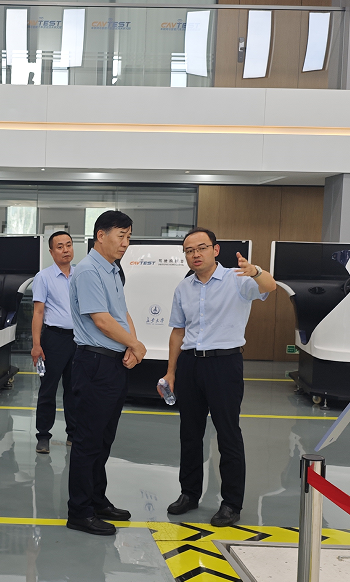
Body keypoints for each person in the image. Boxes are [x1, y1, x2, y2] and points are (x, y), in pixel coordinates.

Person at [161, 227, 276, 527]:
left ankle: (231, 503)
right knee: (190, 433)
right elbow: (177, 332)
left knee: (227, 433)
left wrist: (255, 270)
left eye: (201, 248)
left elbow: (270, 286)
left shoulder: (238, 279)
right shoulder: (183, 288)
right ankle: (189, 494)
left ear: (215, 250)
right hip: (190, 365)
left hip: (224, 364)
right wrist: (171, 372)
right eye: (189, 251)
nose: (195, 255)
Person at [65, 211, 145, 536]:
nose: (125, 243)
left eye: (129, 237)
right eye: (120, 236)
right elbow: (101, 320)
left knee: (104, 438)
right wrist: (135, 345)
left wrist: (132, 345)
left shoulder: (112, 270)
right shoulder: (88, 271)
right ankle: (79, 511)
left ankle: (97, 499)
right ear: (101, 235)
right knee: (88, 440)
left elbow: (122, 313)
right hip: (94, 364)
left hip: (113, 363)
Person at [30, 230, 77, 454]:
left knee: (75, 389)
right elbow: (38, 312)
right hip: (54, 339)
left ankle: (73, 434)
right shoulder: (44, 277)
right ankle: (43, 436)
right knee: (48, 389)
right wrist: (36, 344)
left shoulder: (81, 275)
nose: (65, 250)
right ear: (51, 252)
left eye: (68, 245)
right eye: (60, 246)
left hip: (79, 339)